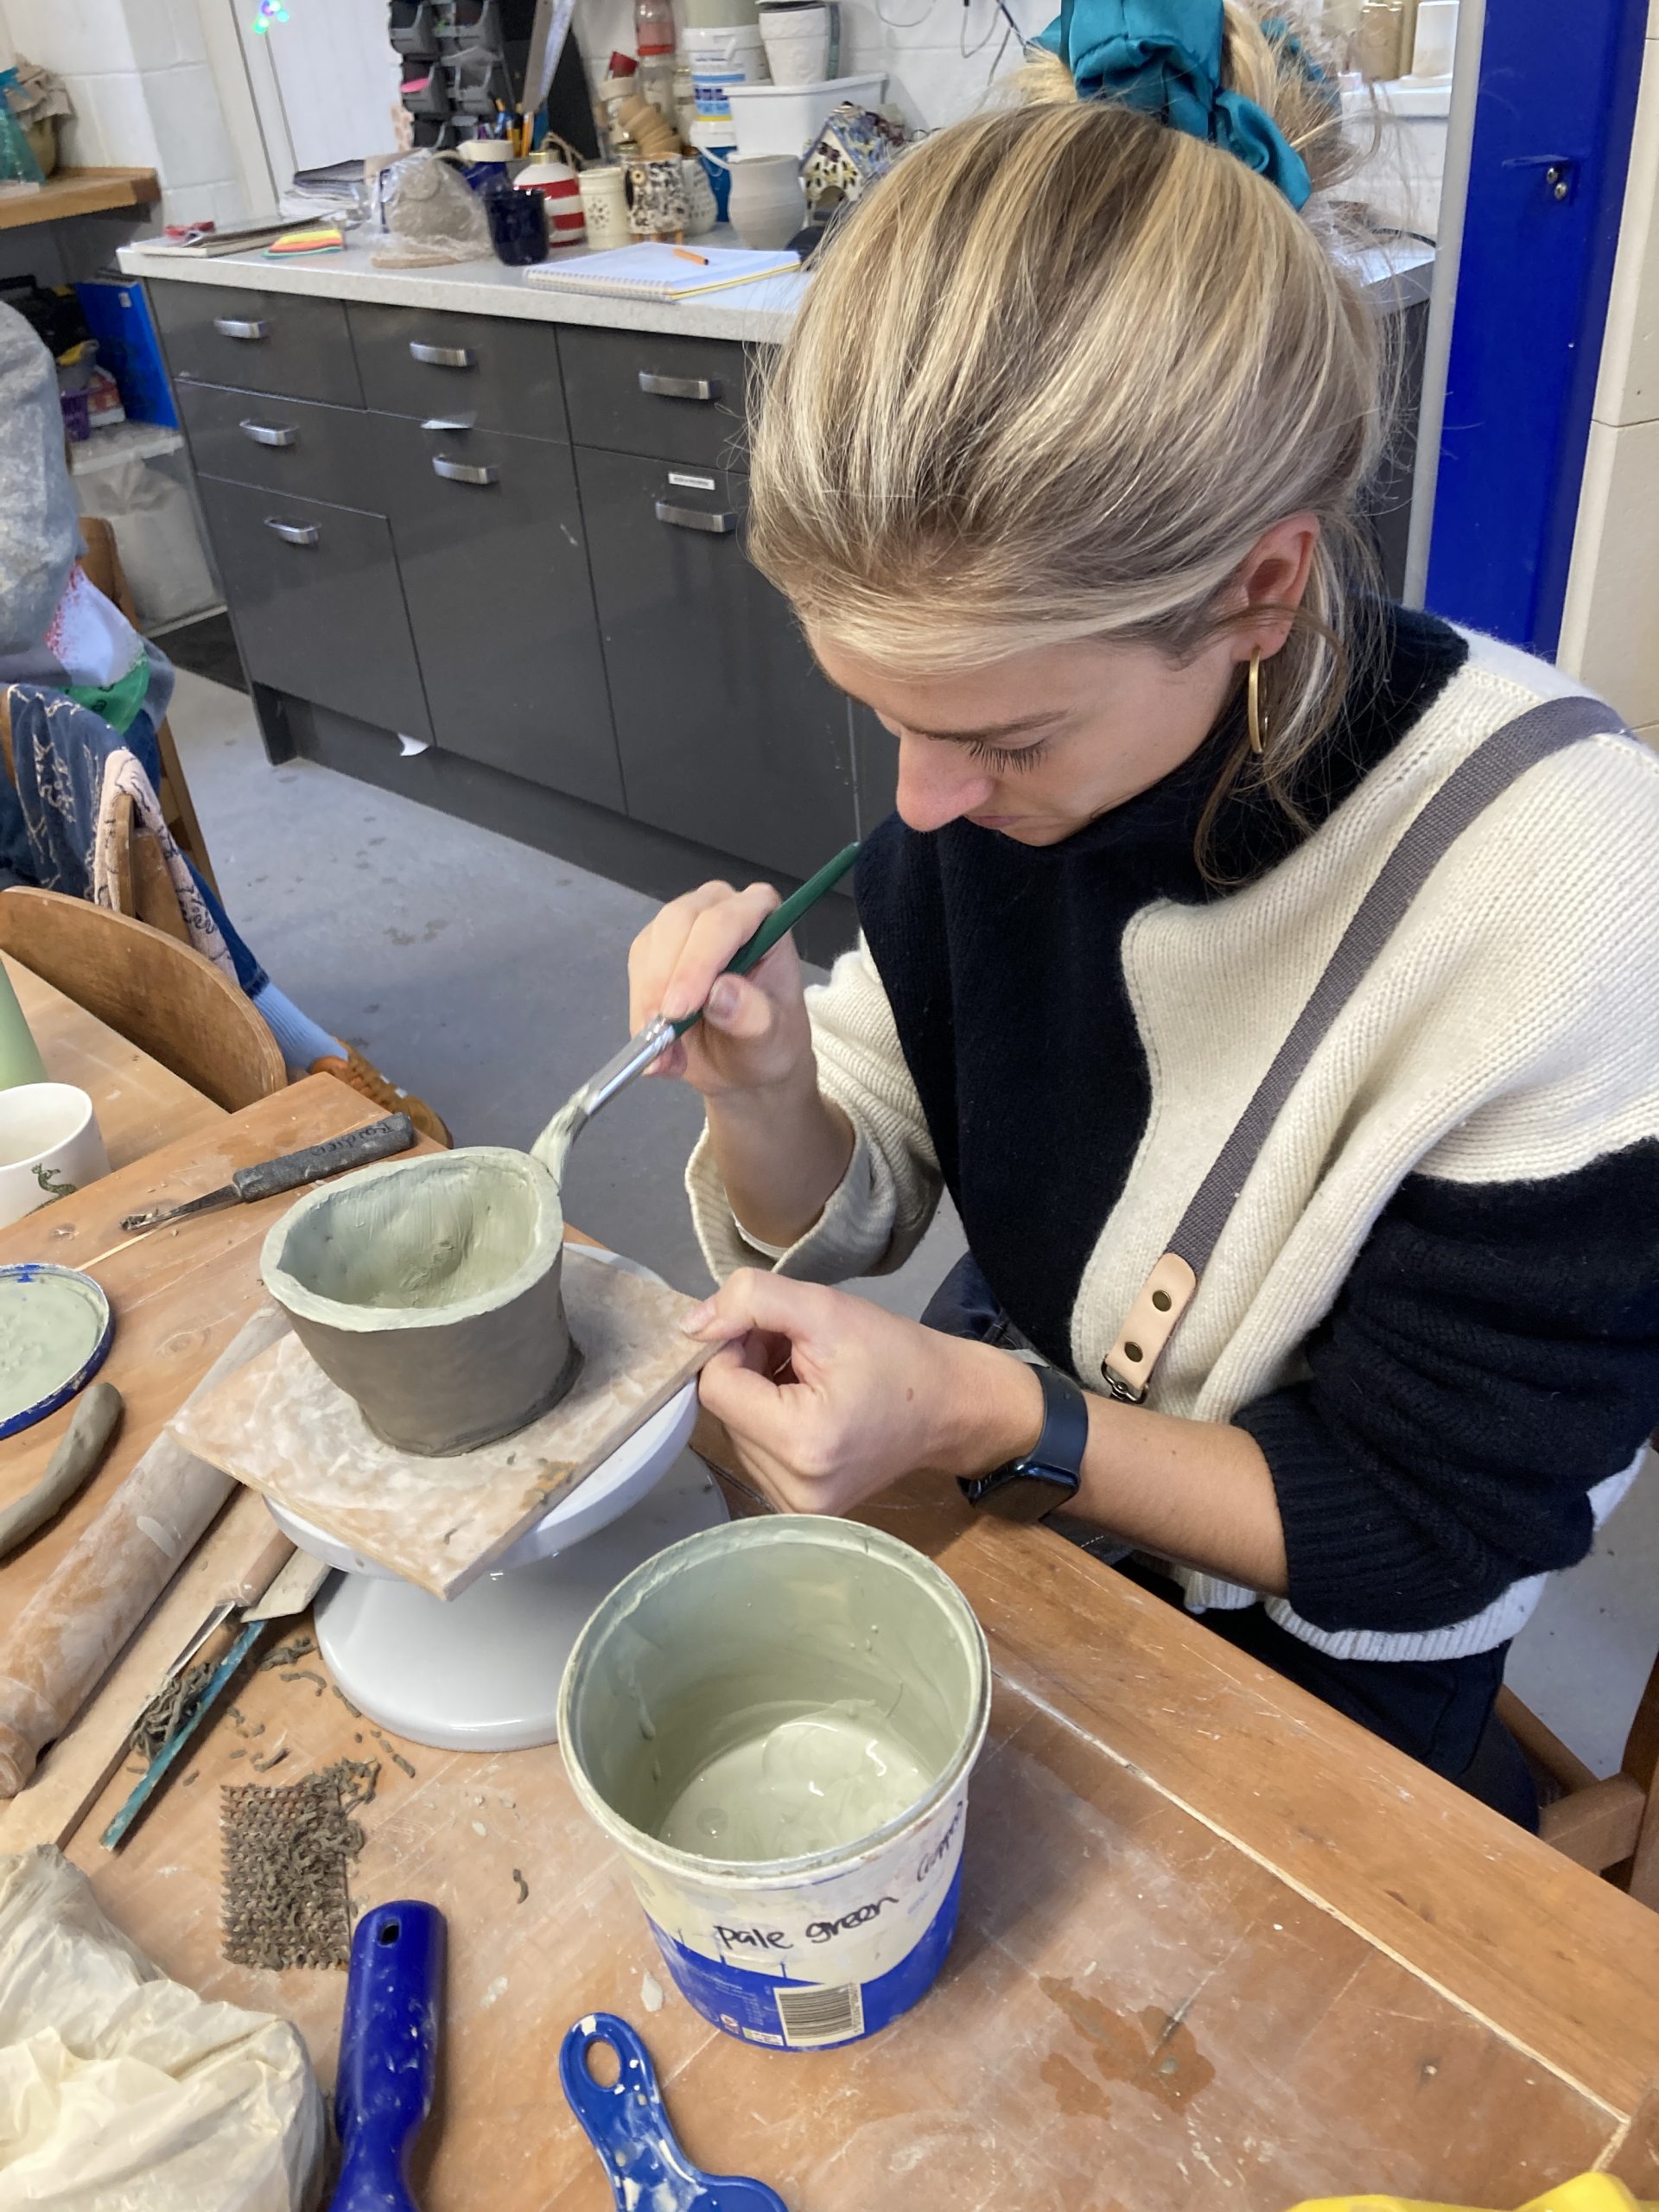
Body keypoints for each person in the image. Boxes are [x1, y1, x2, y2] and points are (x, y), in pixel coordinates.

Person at [627, 0, 1659, 1826]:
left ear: (1260, 589)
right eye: (887, 718)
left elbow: (1431, 1533)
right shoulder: (1007, 742)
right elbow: (863, 1178)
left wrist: (989, 1415)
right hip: (1046, 1463)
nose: (922, 803)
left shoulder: (1568, 897)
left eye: (999, 739)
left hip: (1324, 1641)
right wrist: (769, 1085)